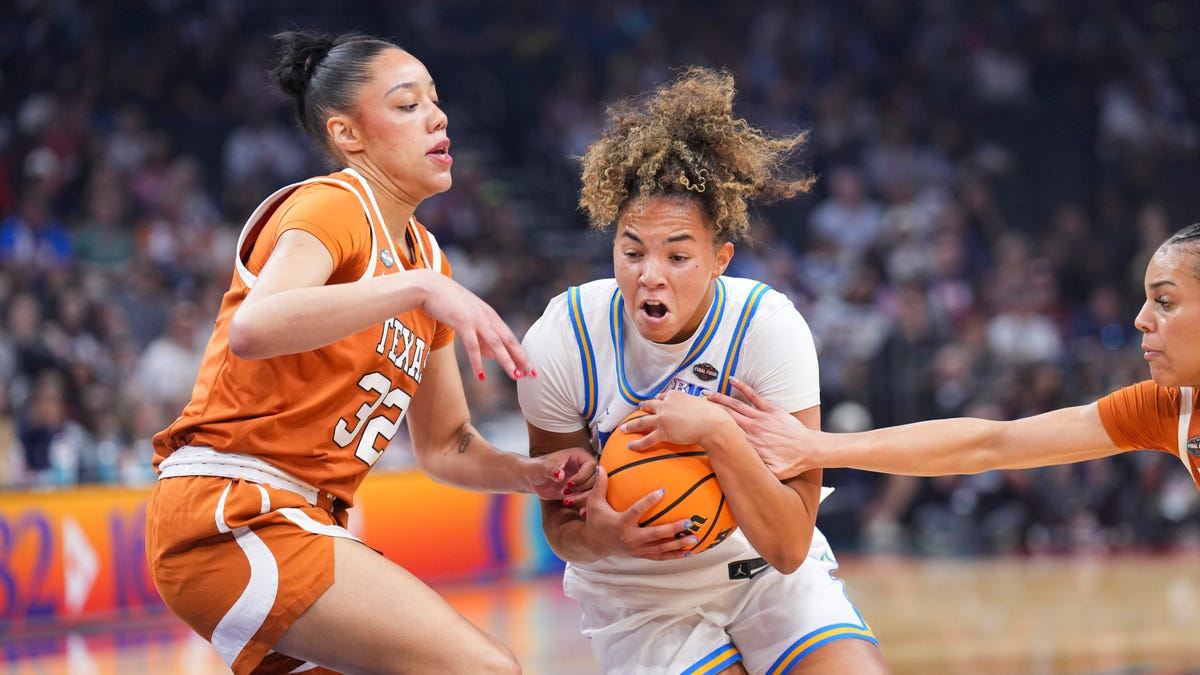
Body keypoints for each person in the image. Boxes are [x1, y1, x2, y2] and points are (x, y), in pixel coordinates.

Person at [145, 30, 594, 675]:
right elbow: (255, 325)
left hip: (306, 518)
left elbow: (446, 446)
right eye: (407, 105)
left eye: (435, 102)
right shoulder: (336, 204)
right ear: (348, 135)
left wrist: (529, 474)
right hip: (234, 510)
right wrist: (419, 288)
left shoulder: (427, 257)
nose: (438, 117)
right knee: (485, 669)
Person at [517, 67, 889, 674]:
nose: (650, 275)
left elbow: (790, 545)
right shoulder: (564, 339)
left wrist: (717, 433)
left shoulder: (768, 329)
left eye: (679, 255)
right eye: (632, 251)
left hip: (763, 570)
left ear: (720, 259)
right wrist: (602, 538)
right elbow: (560, 522)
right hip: (638, 593)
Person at [692, 224, 1200, 501]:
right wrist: (817, 446)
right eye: (1146, 300)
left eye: (1165, 301)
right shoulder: (1168, 410)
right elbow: (990, 443)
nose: (1140, 320)